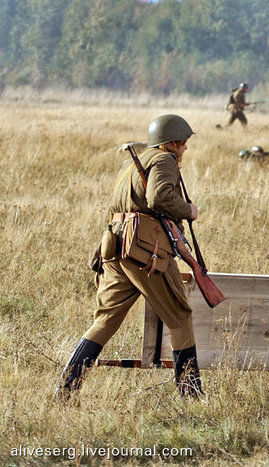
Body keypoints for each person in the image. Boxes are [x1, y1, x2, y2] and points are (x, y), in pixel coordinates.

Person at [56, 114, 204, 400]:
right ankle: (191, 394)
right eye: (183, 143)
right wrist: (189, 210)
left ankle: (66, 388)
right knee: (180, 316)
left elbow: (117, 208)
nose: (185, 148)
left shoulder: (131, 166)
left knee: (106, 320)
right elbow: (158, 198)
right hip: (145, 251)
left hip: (116, 247)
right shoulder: (164, 160)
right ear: (172, 142)